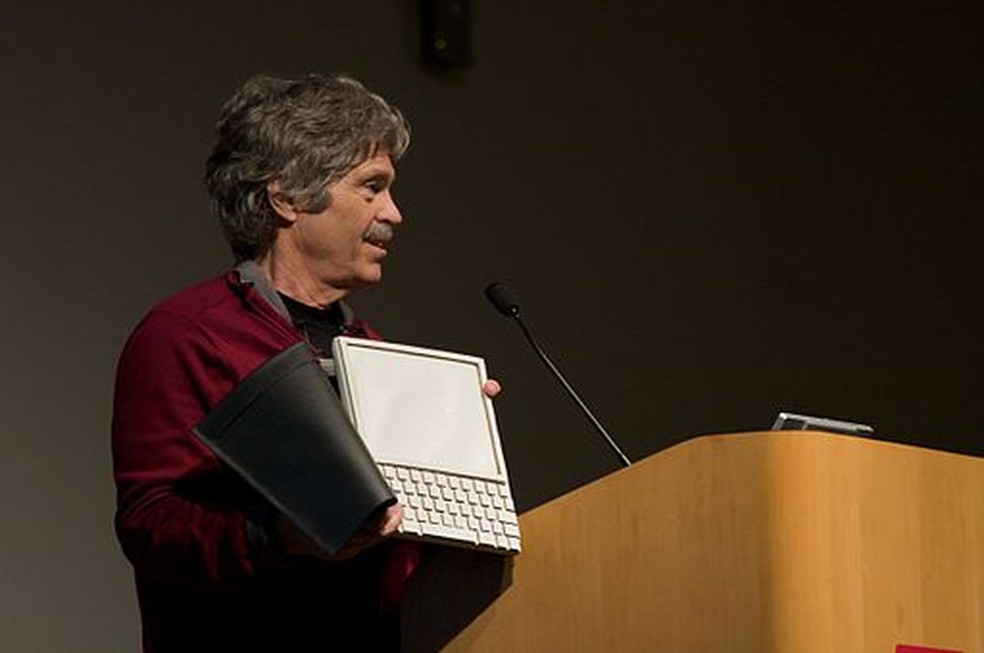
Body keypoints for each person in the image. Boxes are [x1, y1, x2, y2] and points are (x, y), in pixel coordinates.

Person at [112, 73, 493, 652]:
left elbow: (399, 557)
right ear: (287, 195)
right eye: (372, 187)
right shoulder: (186, 334)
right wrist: (273, 536)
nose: (395, 213)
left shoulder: (375, 354)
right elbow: (150, 523)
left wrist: (458, 455)